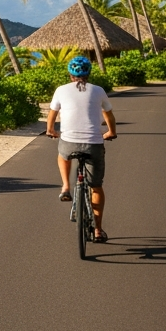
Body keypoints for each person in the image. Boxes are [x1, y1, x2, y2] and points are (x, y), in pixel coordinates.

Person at [45, 55, 117, 242]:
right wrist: (111, 132)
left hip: (69, 142)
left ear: (70, 75)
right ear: (89, 74)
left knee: (63, 155)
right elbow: (109, 116)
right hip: (94, 143)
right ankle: (98, 231)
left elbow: (52, 114)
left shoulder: (61, 90)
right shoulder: (98, 90)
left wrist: (50, 130)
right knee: (96, 187)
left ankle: (66, 186)